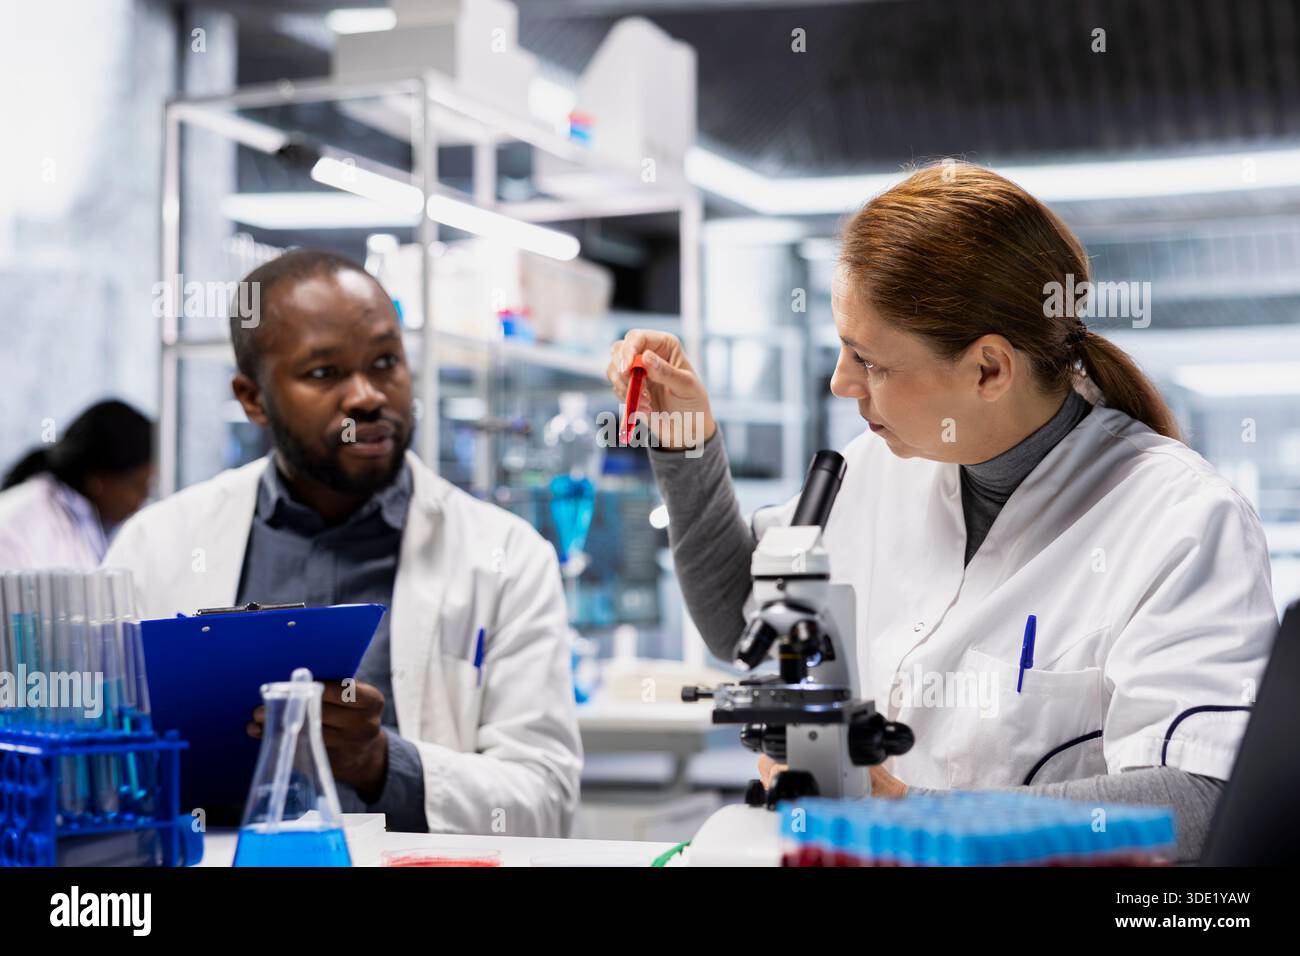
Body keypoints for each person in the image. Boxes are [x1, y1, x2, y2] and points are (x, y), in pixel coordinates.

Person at [607, 162, 1276, 862]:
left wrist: (907, 814)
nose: (841, 383)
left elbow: (1200, 801)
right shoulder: (872, 470)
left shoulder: (1181, 520)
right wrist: (685, 445)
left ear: (989, 369)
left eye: (870, 360)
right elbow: (741, 619)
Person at [104, 249, 581, 835]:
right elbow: (97, 763)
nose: (366, 397)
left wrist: (382, 762)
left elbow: (546, 799)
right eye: (324, 373)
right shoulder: (157, 545)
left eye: (385, 362)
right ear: (253, 399)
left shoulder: (506, 557)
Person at [0, 400, 153, 569]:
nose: (142, 500)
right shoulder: (23, 520)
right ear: (98, 481)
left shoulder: (90, 522)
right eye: (139, 486)